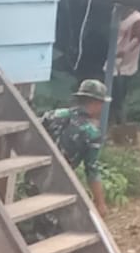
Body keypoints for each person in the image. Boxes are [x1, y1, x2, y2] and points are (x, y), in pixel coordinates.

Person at [42, 80, 111, 218]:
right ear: (97, 103)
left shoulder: (52, 115)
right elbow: (92, 171)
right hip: (59, 185)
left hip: (35, 178)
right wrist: (100, 203)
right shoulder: (92, 133)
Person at [113, 6, 140, 124]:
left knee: (120, 92)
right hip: (113, 57)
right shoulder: (117, 13)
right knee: (112, 91)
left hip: (126, 62)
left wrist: (124, 51)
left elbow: (137, 39)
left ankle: (121, 121)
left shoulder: (137, 19)